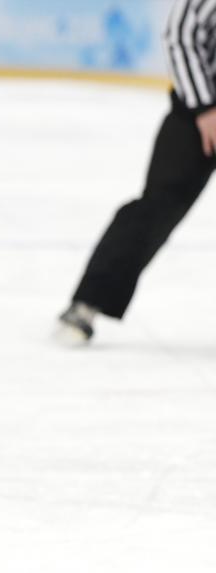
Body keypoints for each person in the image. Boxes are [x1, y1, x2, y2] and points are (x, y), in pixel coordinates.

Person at [57, 0, 216, 343]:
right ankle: (87, 303)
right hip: (199, 113)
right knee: (156, 207)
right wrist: (205, 108)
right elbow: (182, 34)